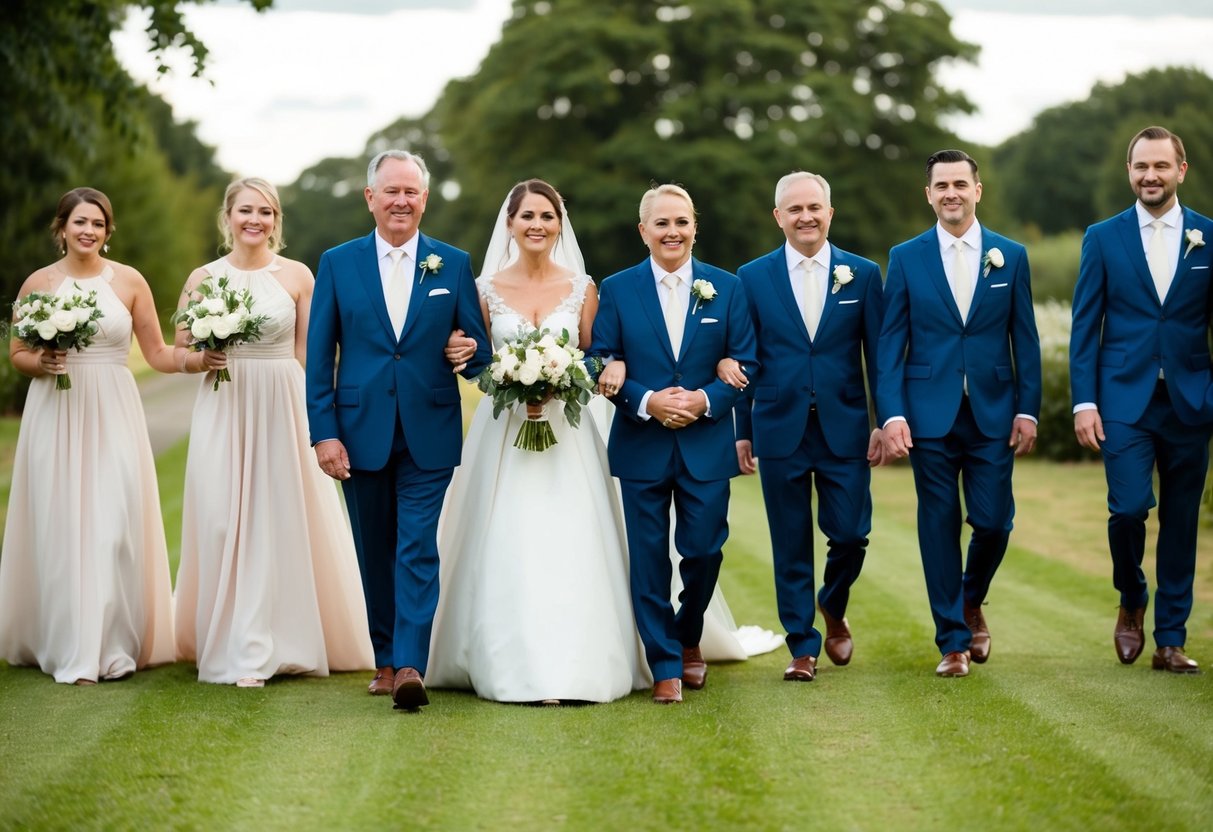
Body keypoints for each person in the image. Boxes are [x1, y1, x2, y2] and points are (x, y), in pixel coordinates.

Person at [427, 179, 649, 703]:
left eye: (547, 216)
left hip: (568, 432)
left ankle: (576, 663)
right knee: (505, 535)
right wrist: (506, 376)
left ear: (559, 224)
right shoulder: (482, 289)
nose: (537, 225)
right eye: (527, 216)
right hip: (502, 432)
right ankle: (507, 659)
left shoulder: (582, 287)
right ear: (509, 223)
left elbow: (598, 355)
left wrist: (564, 377)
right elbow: (476, 360)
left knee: (570, 536)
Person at [305, 150, 491, 711]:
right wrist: (323, 432)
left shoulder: (452, 263)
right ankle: (384, 657)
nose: (402, 201)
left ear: (425, 200)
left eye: (412, 192)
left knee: (415, 546)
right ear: (370, 198)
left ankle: (410, 663)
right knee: (374, 548)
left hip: (429, 428)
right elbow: (319, 358)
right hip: (358, 430)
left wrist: (470, 350)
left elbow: (477, 350)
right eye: (391, 191)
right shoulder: (337, 263)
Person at [173, 178, 374, 687]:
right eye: (245, 210)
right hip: (224, 402)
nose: (255, 220)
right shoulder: (203, 278)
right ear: (228, 216)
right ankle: (232, 638)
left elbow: (314, 355)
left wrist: (328, 418)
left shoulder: (298, 276)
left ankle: (273, 643)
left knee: (280, 515)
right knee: (221, 515)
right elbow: (178, 349)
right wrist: (202, 357)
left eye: (265, 211)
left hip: (282, 401)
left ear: (276, 220)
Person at [0, 187, 176, 685]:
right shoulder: (39, 283)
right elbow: (18, 354)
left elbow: (159, 352)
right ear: (62, 228)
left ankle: (113, 645)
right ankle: (68, 644)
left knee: (111, 520)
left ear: (107, 230)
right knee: (61, 523)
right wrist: (43, 360)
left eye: (97, 223)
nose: (88, 231)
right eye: (79, 222)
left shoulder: (130, 282)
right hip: (56, 408)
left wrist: (200, 360)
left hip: (113, 408)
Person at [591, 183, 759, 703]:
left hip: (706, 443)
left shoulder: (727, 288)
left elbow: (746, 361)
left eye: (681, 222)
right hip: (642, 443)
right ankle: (664, 663)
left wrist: (705, 401)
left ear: (694, 227)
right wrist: (646, 401)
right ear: (643, 231)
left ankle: (688, 636)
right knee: (647, 558)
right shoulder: (617, 289)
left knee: (705, 551)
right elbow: (601, 357)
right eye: (661, 223)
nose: (672, 232)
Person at [876, 150, 1041, 678]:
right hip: (928, 415)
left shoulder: (1010, 256)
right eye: (941, 185)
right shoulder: (905, 257)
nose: (951, 193)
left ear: (978, 190)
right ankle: (952, 639)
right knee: (938, 523)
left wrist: (1029, 410)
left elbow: (1026, 340)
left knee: (994, 522)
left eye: (960, 184)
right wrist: (893, 414)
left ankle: (972, 600)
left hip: (994, 411)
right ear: (928, 194)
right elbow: (889, 345)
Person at [1070, 126, 1213, 674]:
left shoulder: (1208, 236)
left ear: (1182, 170)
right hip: (1122, 403)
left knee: (1181, 521)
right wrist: (1085, 401)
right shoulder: (1102, 237)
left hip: (1191, 402)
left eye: (1160, 166)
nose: (1149, 176)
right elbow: (1085, 326)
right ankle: (1131, 598)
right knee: (1129, 509)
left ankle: (1170, 639)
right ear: (1129, 172)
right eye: (1140, 167)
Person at [733, 171, 885, 683]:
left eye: (814, 207)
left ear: (829, 212)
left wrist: (884, 421)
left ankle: (833, 602)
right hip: (778, 426)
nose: (806, 217)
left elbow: (879, 357)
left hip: (845, 426)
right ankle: (803, 645)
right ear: (779, 217)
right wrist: (741, 428)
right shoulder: (751, 278)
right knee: (790, 540)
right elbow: (742, 359)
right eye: (794, 209)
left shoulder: (862, 275)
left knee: (851, 534)